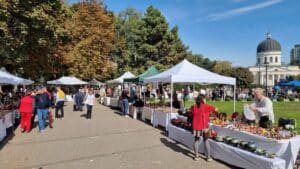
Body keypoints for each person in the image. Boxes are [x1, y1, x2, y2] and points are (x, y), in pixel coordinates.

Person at [191, 92, 217, 162]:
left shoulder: (193, 106)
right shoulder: (205, 106)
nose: (206, 100)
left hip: (196, 126)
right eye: (205, 99)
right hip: (204, 127)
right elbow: (216, 109)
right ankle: (208, 157)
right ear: (202, 99)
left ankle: (196, 156)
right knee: (206, 141)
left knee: (196, 140)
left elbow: (192, 113)